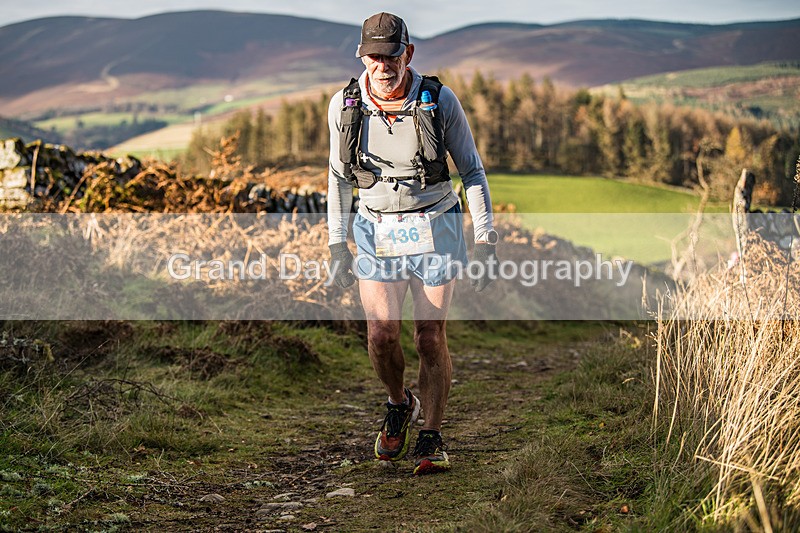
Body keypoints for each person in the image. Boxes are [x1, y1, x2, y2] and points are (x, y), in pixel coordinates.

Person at [326, 12, 498, 475]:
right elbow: (339, 178)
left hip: (436, 224)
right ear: (362, 56)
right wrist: (336, 244)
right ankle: (400, 402)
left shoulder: (440, 100)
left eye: (392, 54)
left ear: (409, 53)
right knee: (381, 336)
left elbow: (473, 172)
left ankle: (432, 438)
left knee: (427, 336)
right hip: (375, 227)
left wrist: (485, 237)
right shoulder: (345, 106)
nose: (382, 65)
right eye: (373, 55)